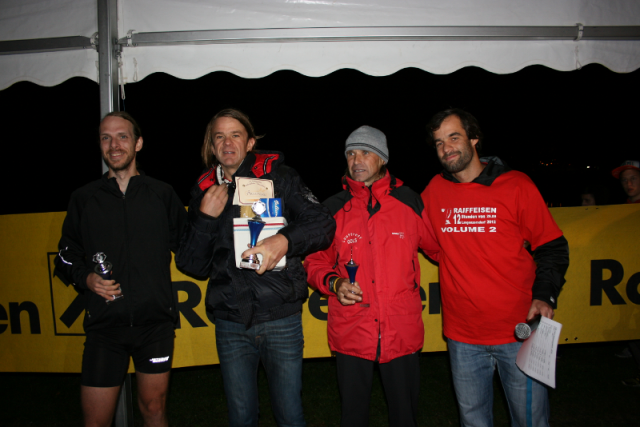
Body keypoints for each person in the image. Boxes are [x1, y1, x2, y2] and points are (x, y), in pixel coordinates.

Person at [175, 108, 335, 427]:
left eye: (235, 135)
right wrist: (205, 218)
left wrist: (284, 240)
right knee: (241, 417)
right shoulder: (204, 189)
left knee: (290, 416)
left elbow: (323, 223)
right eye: (219, 136)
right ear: (212, 145)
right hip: (230, 322)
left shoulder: (279, 176)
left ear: (249, 143)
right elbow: (192, 264)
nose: (227, 142)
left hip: (280, 317)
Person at [420, 108, 569, 427]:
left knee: (530, 421)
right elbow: (430, 244)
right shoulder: (434, 191)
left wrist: (544, 295)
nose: (446, 148)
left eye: (454, 137)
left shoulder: (516, 185)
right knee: (473, 422)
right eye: (439, 142)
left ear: (474, 139)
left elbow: (552, 246)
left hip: (518, 330)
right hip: (462, 336)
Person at [54, 111, 188, 427]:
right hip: (105, 328)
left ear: (138, 143)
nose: (114, 145)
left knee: (153, 410)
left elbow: (189, 249)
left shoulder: (162, 194)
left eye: (122, 137)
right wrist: (87, 278)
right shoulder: (84, 198)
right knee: (96, 420)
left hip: (155, 326)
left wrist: (209, 219)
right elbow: (65, 256)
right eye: (106, 138)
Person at [304, 125, 440, 427]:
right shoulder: (333, 208)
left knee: (405, 417)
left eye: (365, 152)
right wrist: (334, 283)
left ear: (382, 158)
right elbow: (314, 262)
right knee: (353, 418)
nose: (356, 160)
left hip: (401, 330)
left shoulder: (409, 202)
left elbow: (441, 249)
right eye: (351, 154)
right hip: (352, 330)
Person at [611, 160, 640, 386]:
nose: (628, 184)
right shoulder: (623, 209)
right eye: (624, 180)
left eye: (634, 179)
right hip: (630, 278)